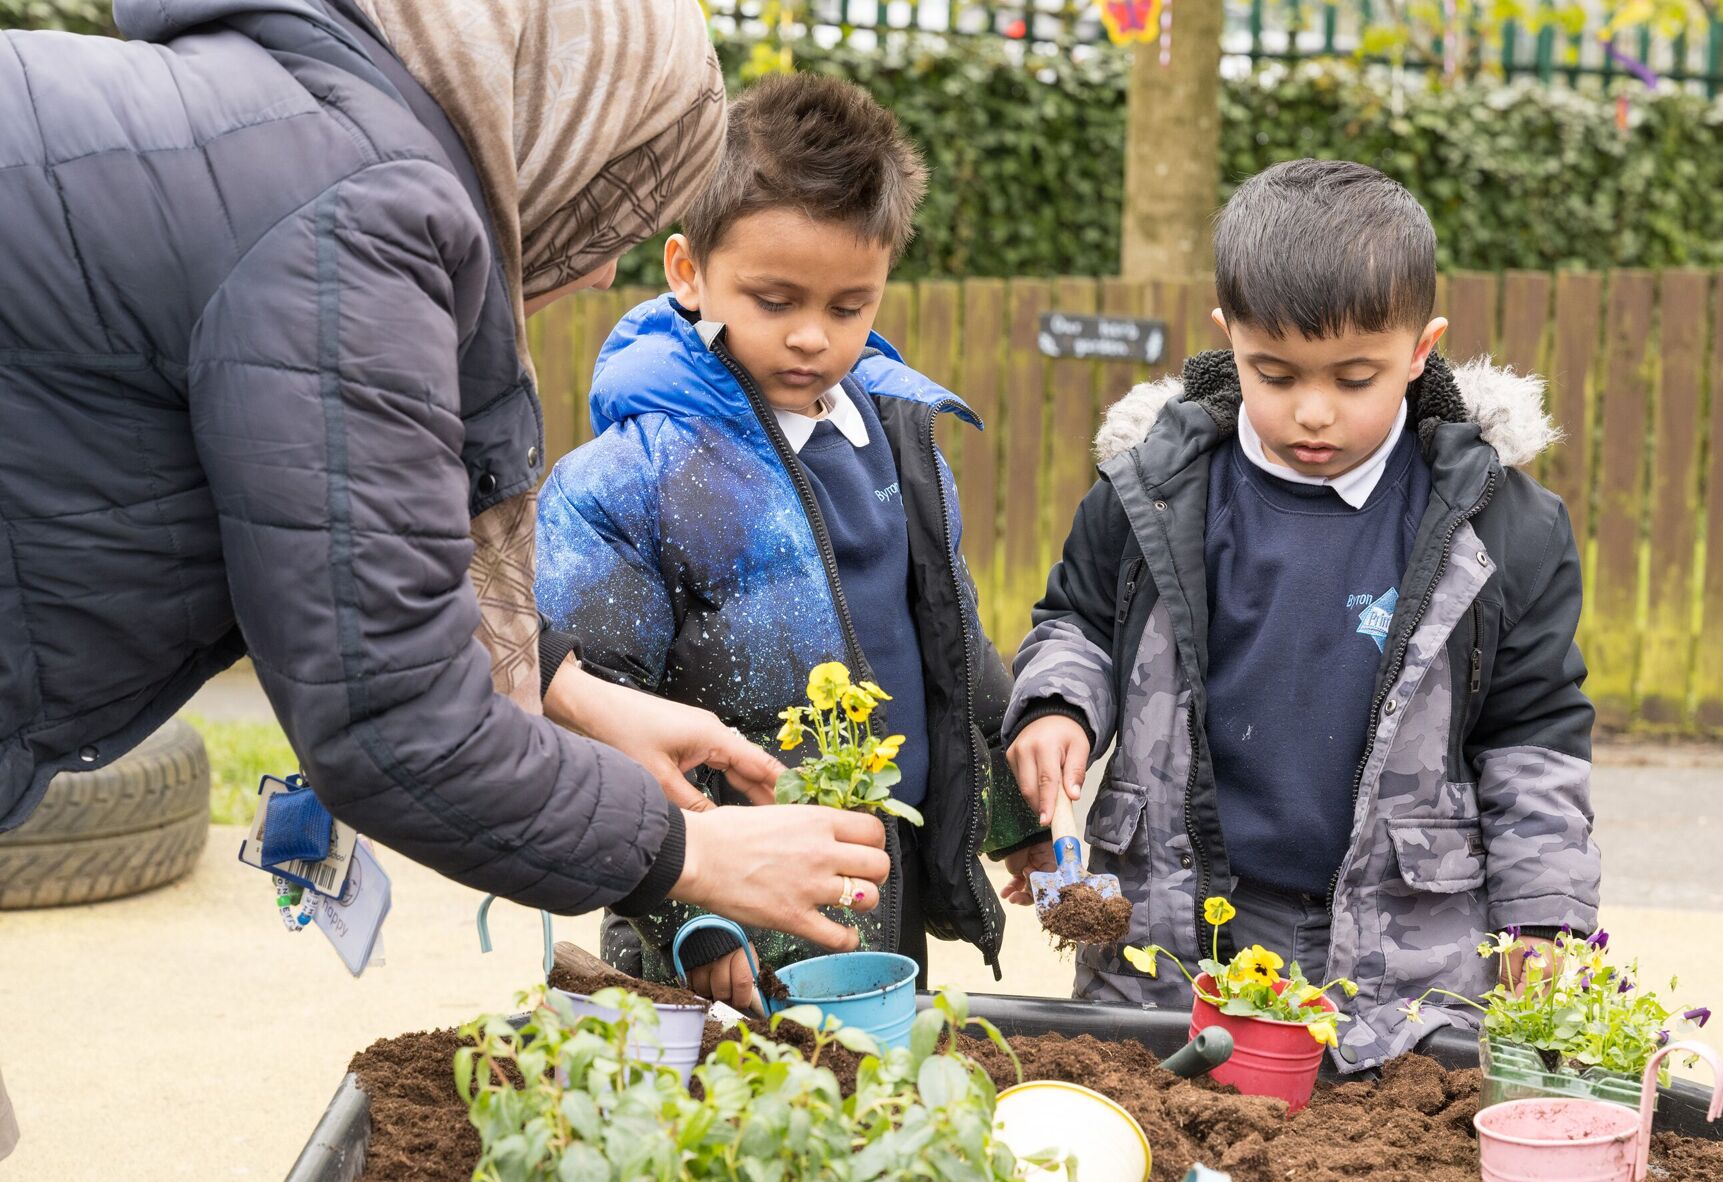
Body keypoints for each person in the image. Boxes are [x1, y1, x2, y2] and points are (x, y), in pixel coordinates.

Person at [0, 0, 889, 952]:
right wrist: (693, 854)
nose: (597, 275)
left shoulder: (290, 128)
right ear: (558, 134)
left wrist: (563, 688)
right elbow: (394, 716)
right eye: (610, 210)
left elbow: (350, 557)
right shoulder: (361, 212)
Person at [1002, 160, 1600, 1071]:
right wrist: (1056, 706)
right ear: (1226, 337)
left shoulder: (1503, 526)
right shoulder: (1150, 491)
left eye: (1355, 378)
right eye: (1272, 373)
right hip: (1169, 949)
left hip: (1401, 972)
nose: (1312, 413)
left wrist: (1544, 919)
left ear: (1421, 348)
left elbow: (1534, 736)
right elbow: (1079, 622)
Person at [535, 74, 1045, 1010]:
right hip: (715, 915)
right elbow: (597, 717)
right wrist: (687, 914)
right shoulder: (630, 480)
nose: (813, 337)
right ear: (688, 271)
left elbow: (951, 648)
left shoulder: (901, 442)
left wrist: (1013, 814)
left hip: (874, 890)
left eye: (850, 307)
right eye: (774, 300)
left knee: (867, 1118)